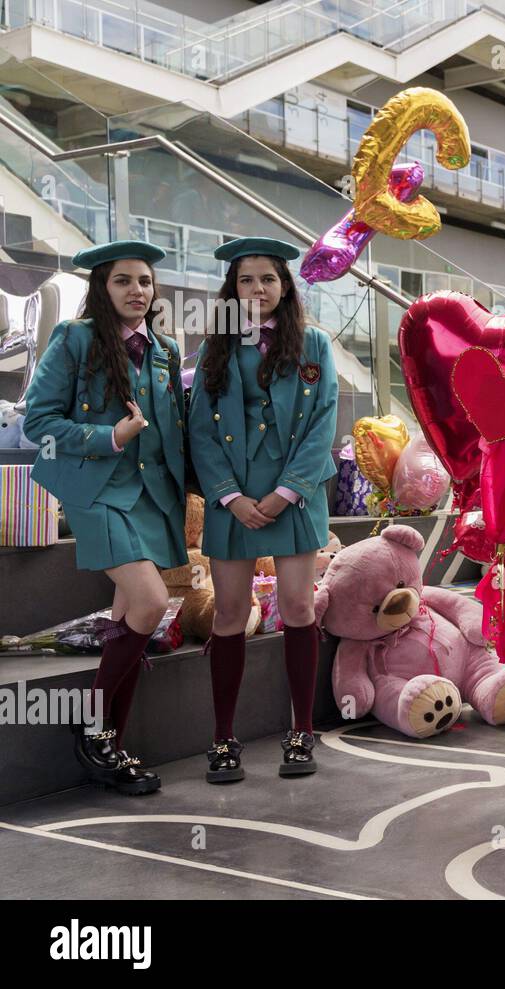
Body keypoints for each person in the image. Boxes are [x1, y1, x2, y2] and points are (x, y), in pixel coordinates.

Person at [23, 240, 187, 795]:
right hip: (95, 489)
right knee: (150, 603)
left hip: (149, 495)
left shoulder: (164, 349)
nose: (136, 290)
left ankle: (108, 741)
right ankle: (96, 732)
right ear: (103, 288)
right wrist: (109, 436)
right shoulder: (75, 339)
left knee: (128, 616)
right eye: (123, 281)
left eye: (144, 281)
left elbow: (174, 430)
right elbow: (37, 423)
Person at [189, 237, 338, 781]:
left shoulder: (315, 344)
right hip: (234, 501)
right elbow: (201, 430)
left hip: (293, 498)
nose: (257, 289)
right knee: (228, 615)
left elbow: (323, 423)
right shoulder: (215, 348)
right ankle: (223, 737)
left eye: (268, 279)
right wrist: (231, 497)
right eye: (246, 280)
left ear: (285, 286)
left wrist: (286, 493)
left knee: (299, 609)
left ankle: (302, 730)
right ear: (234, 289)